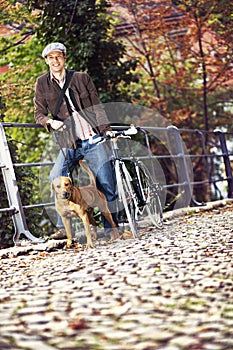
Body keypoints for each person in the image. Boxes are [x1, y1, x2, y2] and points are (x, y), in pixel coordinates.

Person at [34, 42, 119, 241]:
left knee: (106, 183)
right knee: (55, 176)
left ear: (64, 58)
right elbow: (38, 113)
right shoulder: (42, 83)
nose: (55, 61)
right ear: (46, 61)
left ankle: (111, 229)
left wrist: (106, 130)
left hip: (93, 139)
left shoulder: (81, 78)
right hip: (69, 142)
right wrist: (50, 122)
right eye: (51, 57)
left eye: (58, 56)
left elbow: (97, 107)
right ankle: (64, 229)